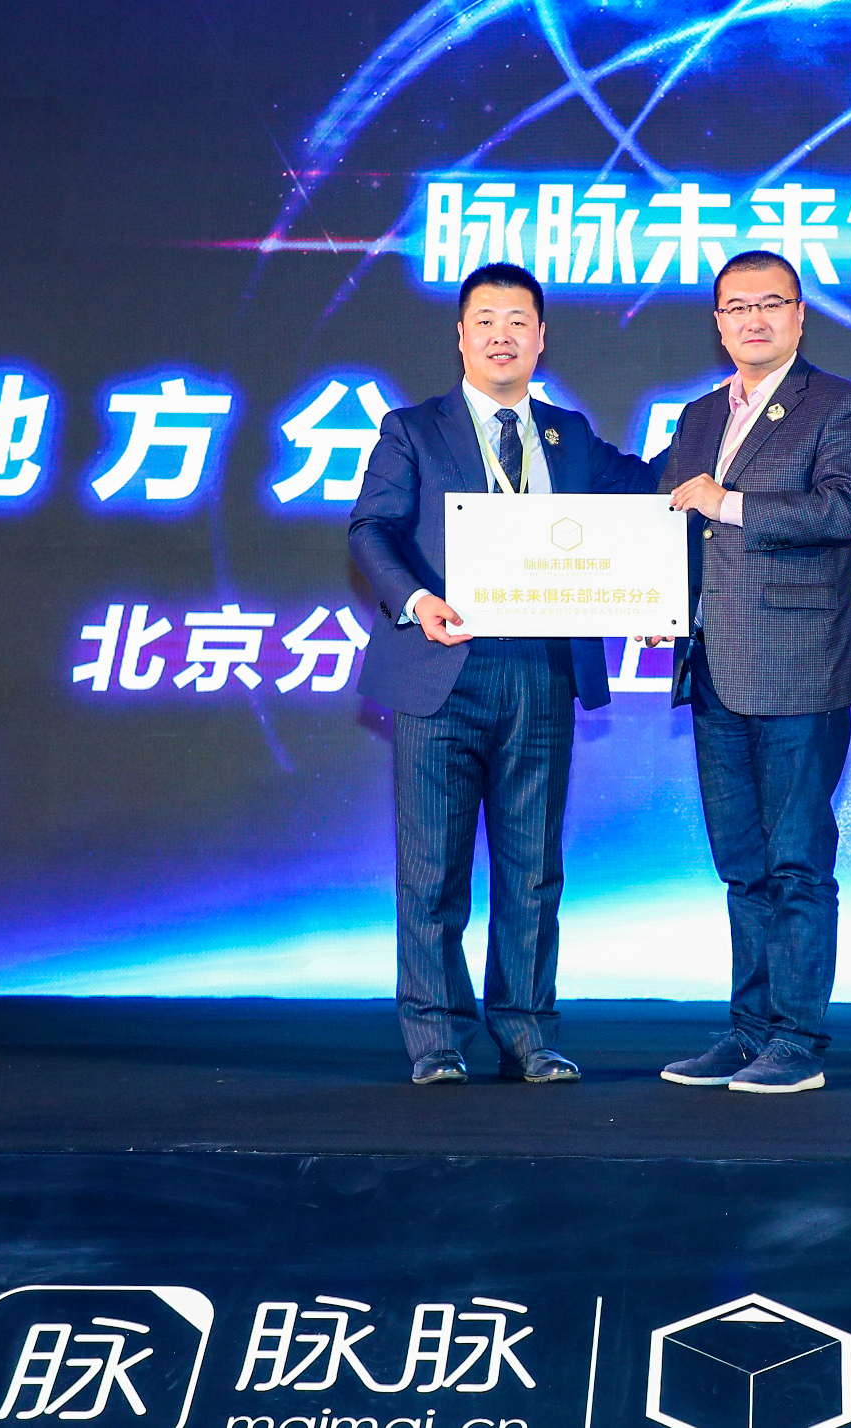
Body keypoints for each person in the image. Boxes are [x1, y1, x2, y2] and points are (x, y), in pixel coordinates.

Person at [349, 262, 656, 1086]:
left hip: (542, 673)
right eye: (485, 320)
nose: (501, 335)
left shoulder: (568, 435)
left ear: (541, 337)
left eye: (518, 321)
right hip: (441, 670)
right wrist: (417, 601)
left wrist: (719, 440)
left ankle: (527, 1030)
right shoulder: (412, 429)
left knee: (533, 869)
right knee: (432, 870)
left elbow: (647, 490)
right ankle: (436, 1038)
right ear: (460, 335)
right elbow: (371, 528)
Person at [655, 249, 851, 1094]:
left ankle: (796, 1039)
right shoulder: (696, 417)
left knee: (796, 864)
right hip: (712, 665)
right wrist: (652, 593)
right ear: (717, 323)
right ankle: (749, 1031)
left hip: (798, 666)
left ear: (799, 315)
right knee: (742, 866)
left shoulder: (841, 406)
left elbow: (847, 508)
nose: (753, 319)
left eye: (771, 304)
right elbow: (667, 518)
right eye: (737, 307)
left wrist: (728, 503)